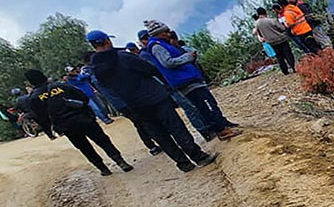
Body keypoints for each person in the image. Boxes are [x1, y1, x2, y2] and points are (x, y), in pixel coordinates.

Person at [87, 30, 217, 173]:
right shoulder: (123, 57)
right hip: (155, 97)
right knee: (176, 128)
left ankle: (183, 163)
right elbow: (150, 69)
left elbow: (108, 89)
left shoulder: (96, 69)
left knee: (160, 135)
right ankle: (199, 157)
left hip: (135, 105)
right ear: (107, 41)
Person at [142, 20, 240, 141]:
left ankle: (222, 126)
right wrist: (187, 57)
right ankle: (221, 130)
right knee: (205, 105)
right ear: (159, 33)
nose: (168, 33)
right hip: (185, 81)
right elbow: (167, 63)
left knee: (208, 104)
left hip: (188, 79)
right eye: (166, 31)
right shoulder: (157, 46)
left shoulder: (161, 44)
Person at [23, 69, 133, 176]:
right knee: (103, 140)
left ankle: (103, 168)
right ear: (44, 76)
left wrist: (54, 127)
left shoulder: (34, 98)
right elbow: (83, 97)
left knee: (85, 148)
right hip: (84, 118)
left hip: (66, 126)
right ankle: (121, 162)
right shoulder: (61, 86)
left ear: (31, 82)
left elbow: (40, 117)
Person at [254, 7, 296, 74]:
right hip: (281, 39)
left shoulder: (257, 24)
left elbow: (259, 33)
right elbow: (282, 28)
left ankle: (285, 71)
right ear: (265, 12)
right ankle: (293, 67)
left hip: (272, 43)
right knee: (288, 54)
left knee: (279, 57)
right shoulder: (271, 20)